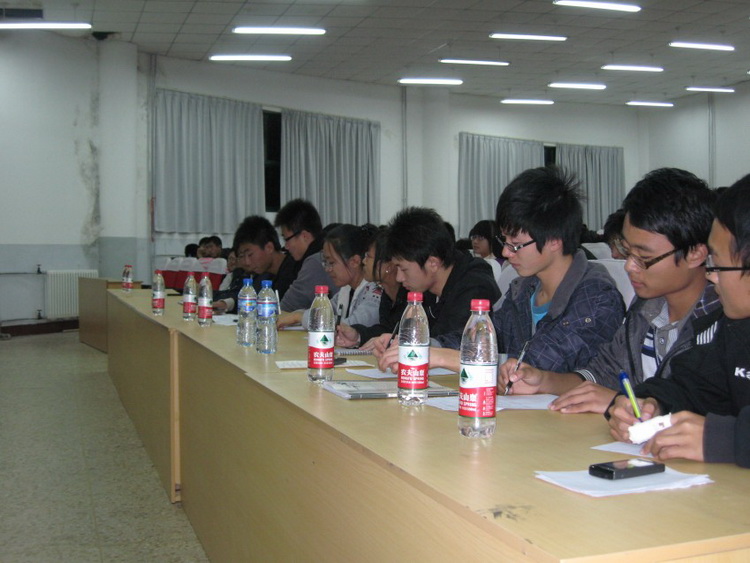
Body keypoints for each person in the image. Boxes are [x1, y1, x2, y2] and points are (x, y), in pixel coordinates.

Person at [502, 168, 721, 414]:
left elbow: (716, 413)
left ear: (695, 254)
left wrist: (621, 402)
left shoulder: (722, 324)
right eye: (627, 252)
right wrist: (544, 381)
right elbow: (601, 373)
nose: (629, 266)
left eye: (644, 257)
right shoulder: (646, 309)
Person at [379, 166, 624, 375]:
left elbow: (537, 367)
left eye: (515, 244)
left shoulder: (596, 296)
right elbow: (486, 337)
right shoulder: (523, 289)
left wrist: (440, 357)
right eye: (504, 240)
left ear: (553, 240)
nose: (506, 252)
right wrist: (424, 344)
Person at [608, 175, 750, 467]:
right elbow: (692, 385)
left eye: (718, 265)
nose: (711, 276)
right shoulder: (734, 328)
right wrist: (651, 403)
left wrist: (725, 438)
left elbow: (726, 434)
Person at [372, 206, 501, 365]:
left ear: (433, 263)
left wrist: (416, 348)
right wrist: (396, 341)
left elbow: (465, 344)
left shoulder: (475, 285)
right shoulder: (424, 286)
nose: (399, 277)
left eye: (403, 269)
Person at [278, 224, 381, 330]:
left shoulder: (375, 292)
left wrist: (298, 317)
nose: (327, 269)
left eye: (331, 262)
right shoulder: (346, 290)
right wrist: (297, 315)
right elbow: (323, 311)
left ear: (354, 261)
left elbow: (350, 326)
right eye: (326, 263)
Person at [336, 227, 407, 349]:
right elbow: (385, 330)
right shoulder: (387, 294)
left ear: (388, 267)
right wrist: (357, 335)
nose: (364, 261)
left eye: (368, 256)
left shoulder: (411, 296)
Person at [213, 216, 297, 313]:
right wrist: (226, 304)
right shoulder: (262, 273)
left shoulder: (296, 271)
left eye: (250, 255)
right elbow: (252, 300)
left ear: (269, 247)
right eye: (241, 256)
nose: (246, 262)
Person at [274, 199, 336, 312]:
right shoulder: (316, 254)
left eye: (286, 239)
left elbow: (284, 309)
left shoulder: (316, 262)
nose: (286, 246)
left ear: (304, 236)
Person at [469, 219, 504, 286]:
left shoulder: (501, 264)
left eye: (480, 237)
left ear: (492, 239)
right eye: (474, 237)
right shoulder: (473, 261)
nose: (475, 241)